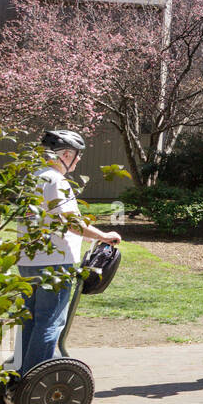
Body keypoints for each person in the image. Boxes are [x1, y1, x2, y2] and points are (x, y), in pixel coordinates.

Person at [15, 130, 121, 375]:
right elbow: (72, 223)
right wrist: (104, 236)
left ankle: (18, 377)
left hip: (28, 261)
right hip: (55, 263)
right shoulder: (56, 181)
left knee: (29, 320)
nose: (79, 160)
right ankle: (33, 382)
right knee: (50, 322)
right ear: (65, 154)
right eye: (77, 155)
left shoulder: (32, 178)